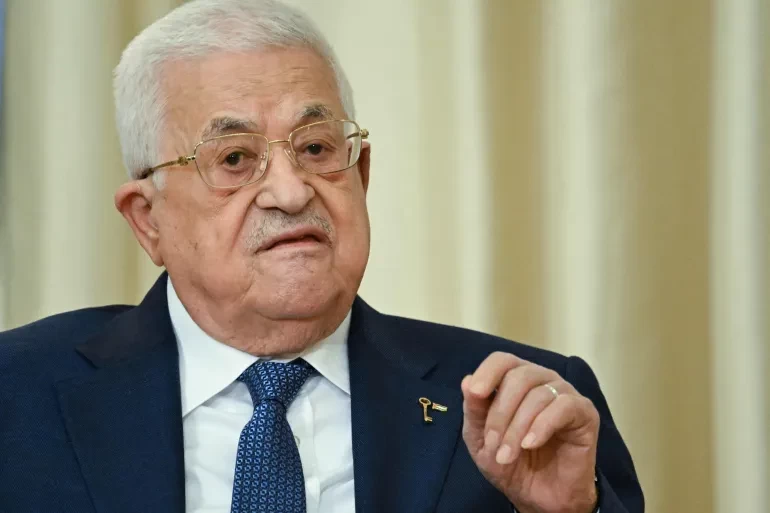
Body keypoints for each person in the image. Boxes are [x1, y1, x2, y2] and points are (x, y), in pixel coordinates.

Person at [0, 1, 643, 512]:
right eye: (234, 158)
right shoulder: (16, 398)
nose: (290, 191)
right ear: (148, 221)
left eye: (315, 149)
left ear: (359, 176)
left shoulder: (518, 410)